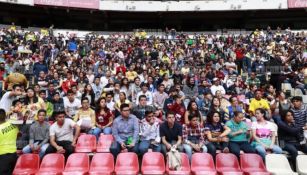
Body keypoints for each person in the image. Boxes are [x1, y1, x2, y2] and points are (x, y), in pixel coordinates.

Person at [0, 108, 18, 175]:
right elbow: (19, 134)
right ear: (5, 116)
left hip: (3, 156)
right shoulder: (13, 125)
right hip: (14, 154)